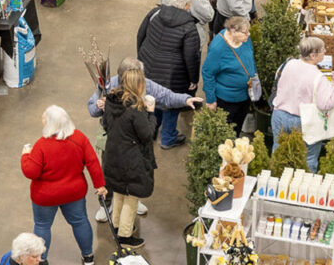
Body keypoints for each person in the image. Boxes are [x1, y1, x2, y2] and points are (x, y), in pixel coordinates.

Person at [87, 57, 202, 222]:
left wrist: (185, 99)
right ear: (123, 78)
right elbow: (91, 108)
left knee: (134, 171)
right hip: (111, 139)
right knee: (110, 171)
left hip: (135, 140)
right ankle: (106, 204)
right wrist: (98, 107)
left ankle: (133, 198)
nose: (140, 83)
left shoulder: (144, 82)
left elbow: (165, 96)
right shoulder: (108, 84)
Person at [21, 105, 105, 265]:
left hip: (45, 196)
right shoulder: (79, 138)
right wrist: (99, 185)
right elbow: (92, 162)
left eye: (44, 119)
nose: (42, 120)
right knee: (80, 221)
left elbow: (31, 172)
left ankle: (40, 260)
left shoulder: (41, 145)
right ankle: (88, 257)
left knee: (42, 225)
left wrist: (25, 155)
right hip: (74, 193)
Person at [136, 0, 202, 149]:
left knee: (153, 98)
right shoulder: (189, 28)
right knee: (171, 104)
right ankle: (168, 138)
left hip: (148, 67)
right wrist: (193, 79)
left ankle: (151, 131)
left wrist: (142, 58)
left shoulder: (155, 13)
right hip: (173, 75)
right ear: (187, 5)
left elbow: (140, 35)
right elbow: (191, 57)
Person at [102, 67, 156, 249]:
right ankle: (125, 236)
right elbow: (147, 135)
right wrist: (151, 113)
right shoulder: (136, 108)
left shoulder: (111, 102)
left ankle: (117, 226)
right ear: (138, 84)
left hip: (113, 155)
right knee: (131, 198)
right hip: (131, 160)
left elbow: (105, 124)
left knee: (118, 192)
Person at [271, 37, 334, 171]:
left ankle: (276, 181)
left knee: (278, 153)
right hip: (303, 121)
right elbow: (325, 104)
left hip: (279, 115)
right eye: (322, 50)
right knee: (308, 159)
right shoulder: (318, 77)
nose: (325, 52)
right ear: (312, 55)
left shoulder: (289, 63)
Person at [202, 16, 257, 135]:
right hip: (227, 101)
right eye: (245, 32)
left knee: (237, 129)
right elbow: (208, 73)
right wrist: (211, 100)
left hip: (245, 96)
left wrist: (254, 76)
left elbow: (250, 59)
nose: (248, 34)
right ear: (233, 31)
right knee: (226, 133)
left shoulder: (245, 40)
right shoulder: (218, 48)